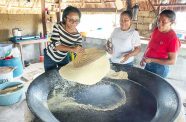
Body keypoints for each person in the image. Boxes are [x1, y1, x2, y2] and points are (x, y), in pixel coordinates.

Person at [140, 9, 181, 78]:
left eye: (164, 22)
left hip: (160, 68)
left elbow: (172, 61)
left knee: (155, 87)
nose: (159, 24)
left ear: (171, 23)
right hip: (148, 62)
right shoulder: (156, 30)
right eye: (158, 21)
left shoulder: (172, 38)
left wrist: (152, 60)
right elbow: (150, 45)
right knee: (146, 84)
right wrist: (143, 57)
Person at [44, 6, 84, 71]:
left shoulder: (78, 36)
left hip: (63, 56)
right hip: (50, 55)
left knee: (64, 72)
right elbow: (56, 46)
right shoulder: (57, 27)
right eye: (71, 20)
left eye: (77, 20)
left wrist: (79, 53)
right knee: (50, 74)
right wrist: (72, 49)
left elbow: (77, 50)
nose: (74, 23)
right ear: (65, 18)